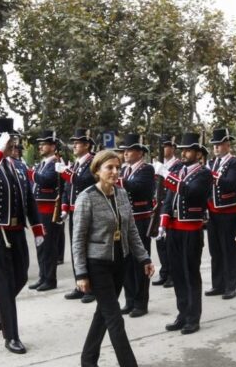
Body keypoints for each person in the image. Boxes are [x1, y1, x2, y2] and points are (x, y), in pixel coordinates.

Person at [72, 149, 154, 367]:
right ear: (97, 170)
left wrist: (144, 258)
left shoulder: (121, 194)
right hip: (97, 265)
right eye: (109, 167)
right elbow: (78, 239)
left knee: (104, 313)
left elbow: (131, 230)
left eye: (117, 167)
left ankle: (88, 360)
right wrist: (80, 273)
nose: (115, 171)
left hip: (120, 262)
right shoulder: (86, 198)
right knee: (115, 319)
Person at [0, 118, 45, 354]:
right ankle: (11, 336)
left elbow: (29, 199)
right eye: (6, 139)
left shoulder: (19, 166)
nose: (12, 144)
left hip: (16, 231)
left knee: (21, 276)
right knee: (4, 284)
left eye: (12, 139)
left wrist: (37, 228)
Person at [154, 132, 212, 335]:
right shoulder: (179, 171)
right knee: (177, 274)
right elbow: (168, 198)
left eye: (189, 150)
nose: (185, 153)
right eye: (183, 150)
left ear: (198, 154)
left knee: (190, 275)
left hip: (191, 230)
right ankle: (182, 314)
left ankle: (193, 317)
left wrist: (166, 176)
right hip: (174, 230)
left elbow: (191, 192)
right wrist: (163, 221)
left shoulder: (204, 173)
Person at [116, 133, 155, 318]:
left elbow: (139, 188)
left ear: (140, 152)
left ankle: (141, 302)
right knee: (125, 262)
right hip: (124, 220)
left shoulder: (146, 170)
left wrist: (117, 181)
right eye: (124, 150)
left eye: (129, 150)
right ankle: (130, 299)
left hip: (140, 219)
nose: (125, 153)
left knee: (140, 261)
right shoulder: (124, 171)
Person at [57, 128, 97, 303]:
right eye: (73, 142)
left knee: (87, 249)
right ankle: (80, 283)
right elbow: (67, 188)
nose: (74, 145)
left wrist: (65, 173)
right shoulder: (75, 164)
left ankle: (92, 288)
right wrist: (65, 207)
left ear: (87, 145)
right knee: (76, 249)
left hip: (87, 211)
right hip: (74, 211)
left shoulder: (93, 163)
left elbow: (84, 181)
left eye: (78, 142)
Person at [205, 128, 236, 300]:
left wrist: (212, 176)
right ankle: (218, 284)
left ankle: (230, 286)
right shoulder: (212, 163)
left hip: (228, 212)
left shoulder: (235, 162)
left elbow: (232, 183)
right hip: (212, 212)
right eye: (214, 145)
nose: (216, 148)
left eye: (219, 144)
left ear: (228, 145)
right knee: (215, 249)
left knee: (229, 249)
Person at [28, 130, 62, 292]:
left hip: (49, 210)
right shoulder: (42, 164)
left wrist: (30, 173)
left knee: (48, 246)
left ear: (53, 146)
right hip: (39, 209)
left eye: (44, 144)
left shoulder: (56, 163)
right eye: (40, 144)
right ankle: (43, 276)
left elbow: (46, 181)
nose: (40, 147)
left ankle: (50, 279)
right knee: (40, 245)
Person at [151, 134, 182, 288]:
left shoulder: (178, 165)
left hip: (169, 205)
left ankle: (172, 275)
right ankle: (164, 272)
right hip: (158, 205)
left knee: (170, 244)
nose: (163, 149)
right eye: (161, 146)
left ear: (173, 148)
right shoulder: (157, 165)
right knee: (160, 243)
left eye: (165, 146)